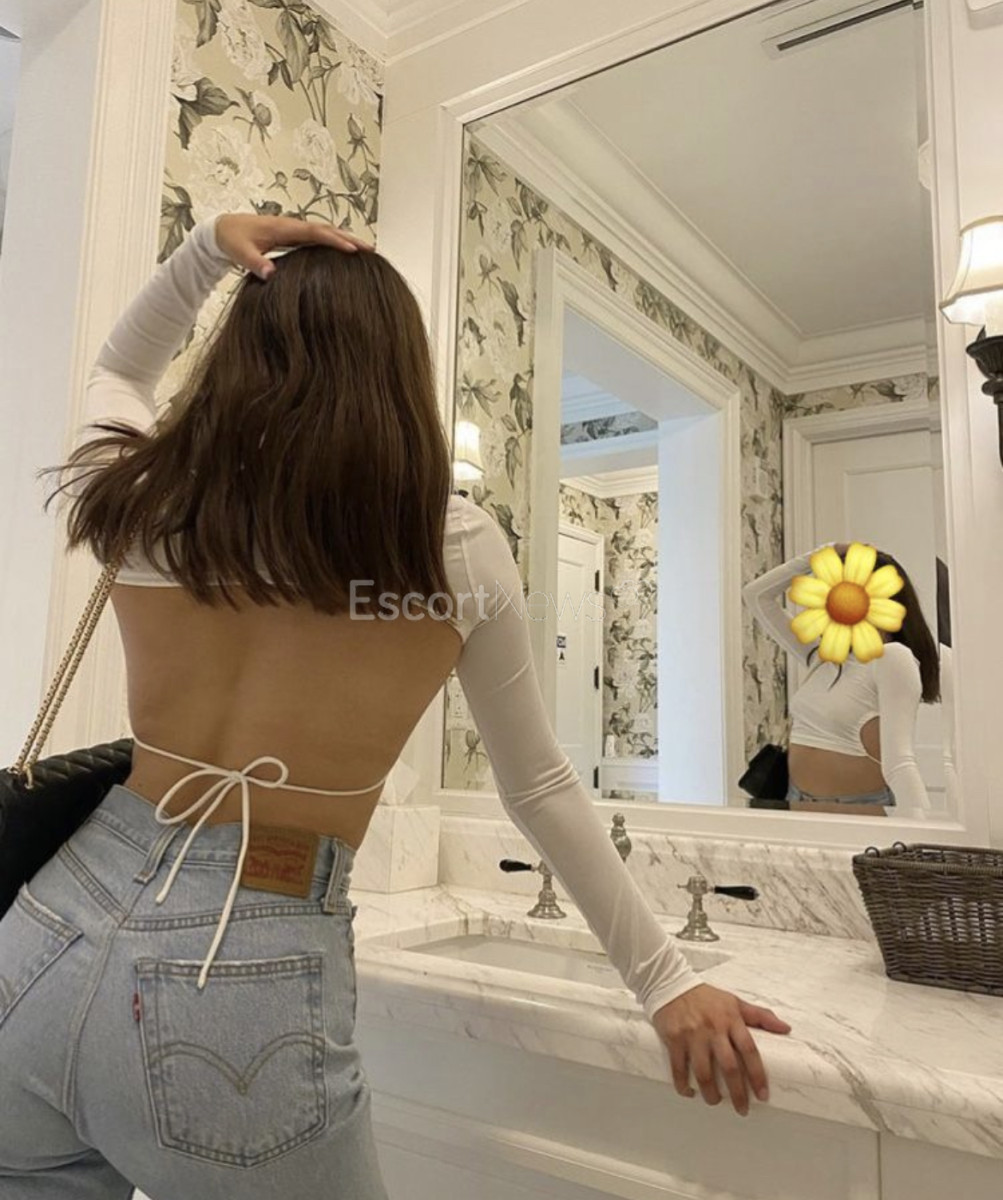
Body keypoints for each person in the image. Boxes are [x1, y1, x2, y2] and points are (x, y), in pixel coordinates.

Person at [0, 213, 789, 1199]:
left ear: (239, 356)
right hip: (238, 960)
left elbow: (120, 368)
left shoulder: (148, 503)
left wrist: (209, 248)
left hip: (44, 934)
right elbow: (538, 785)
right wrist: (665, 980)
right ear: (397, 375)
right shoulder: (449, 548)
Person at [744, 542, 940, 817]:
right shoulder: (824, 657)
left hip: (861, 809)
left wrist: (926, 835)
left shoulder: (892, 658)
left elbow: (900, 763)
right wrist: (824, 553)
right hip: (796, 803)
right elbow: (756, 595)